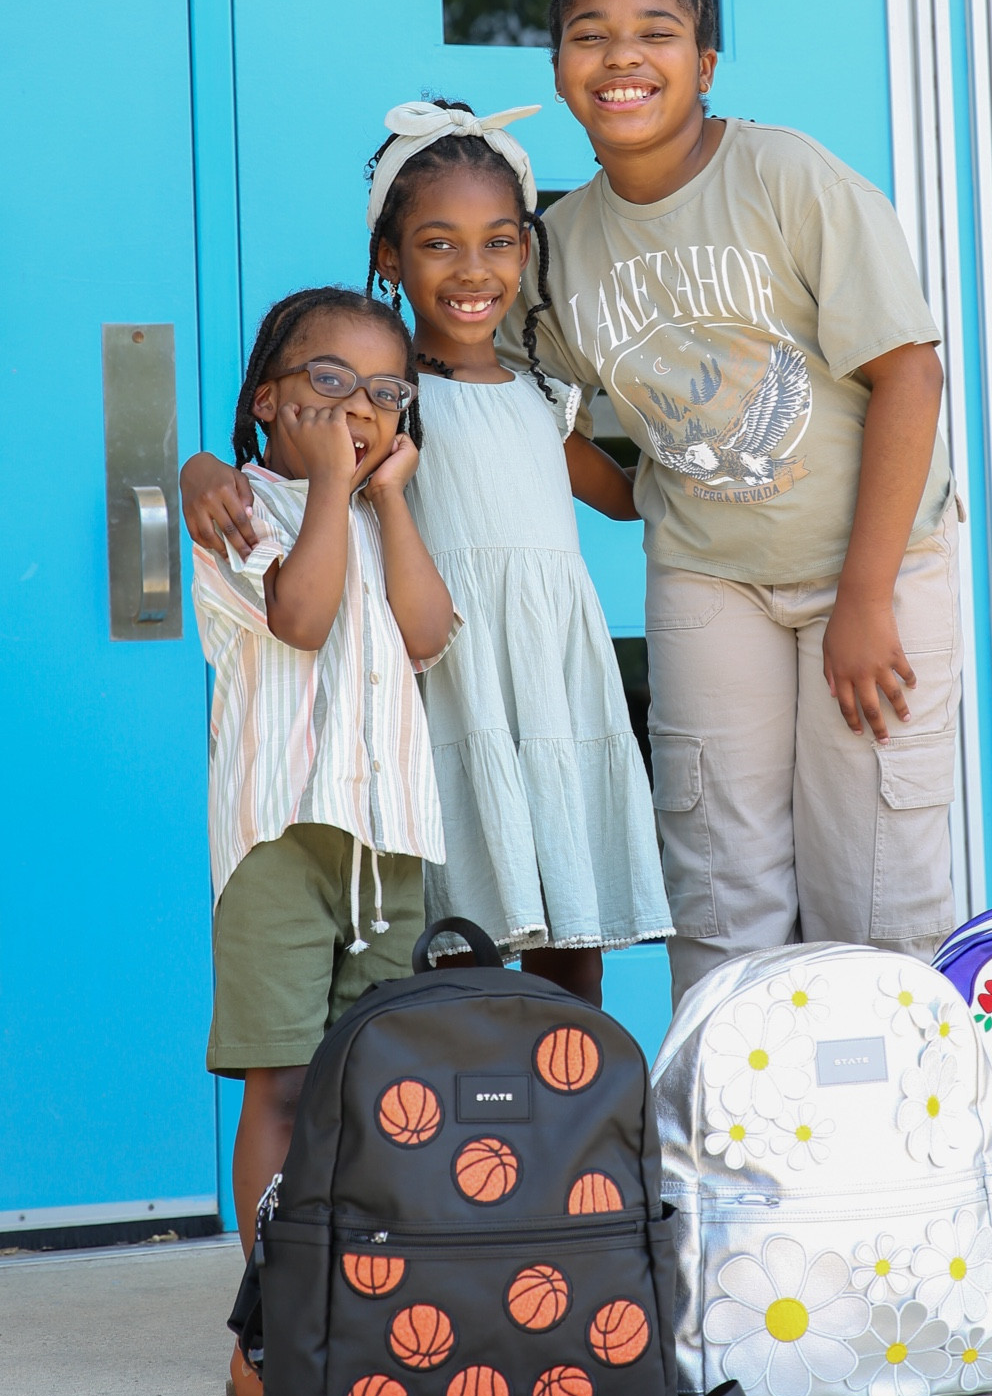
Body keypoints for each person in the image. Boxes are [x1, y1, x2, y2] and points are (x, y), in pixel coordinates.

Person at [504, 0, 960, 1004]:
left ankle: (892, 1162)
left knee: (876, 887)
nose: (623, 56)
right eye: (590, 34)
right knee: (718, 884)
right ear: (561, 66)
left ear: (704, 61)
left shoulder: (785, 177)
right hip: (710, 576)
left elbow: (910, 375)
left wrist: (864, 597)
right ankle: (730, 1153)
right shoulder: (559, 244)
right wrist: (628, 496)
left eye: (656, 31)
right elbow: (523, 399)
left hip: (878, 567)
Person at [183, 104, 671, 1009]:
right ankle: (458, 1130)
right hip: (443, 681)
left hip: (548, 682)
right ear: (388, 259)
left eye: (497, 243)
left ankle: (568, 1126)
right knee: (457, 947)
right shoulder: (383, 396)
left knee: (571, 943)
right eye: (439, 244)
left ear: (526, 253)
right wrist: (198, 466)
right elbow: (279, 456)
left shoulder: (542, 395)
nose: (473, 270)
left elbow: (632, 495)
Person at [187, 284, 453, 1396]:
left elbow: (429, 633)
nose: (357, 406)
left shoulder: (385, 511)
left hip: (386, 844)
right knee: (284, 1088)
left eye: (383, 391)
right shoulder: (239, 508)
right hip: (280, 842)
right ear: (267, 401)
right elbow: (298, 616)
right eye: (329, 382)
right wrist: (336, 482)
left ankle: (364, 1301)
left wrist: (385, 501)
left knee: (373, 1089)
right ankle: (275, 1324)